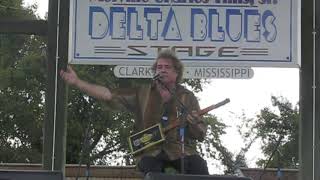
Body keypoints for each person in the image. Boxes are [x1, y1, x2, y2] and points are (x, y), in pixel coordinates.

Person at [60, 49, 209, 175]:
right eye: (159, 67)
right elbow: (109, 95)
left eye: (167, 67)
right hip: (150, 151)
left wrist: (195, 123)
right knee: (152, 170)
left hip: (180, 151)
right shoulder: (142, 93)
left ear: (177, 73)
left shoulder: (187, 97)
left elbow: (201, 134)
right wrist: (78, 82)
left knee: (199, 166)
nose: (162, 70)